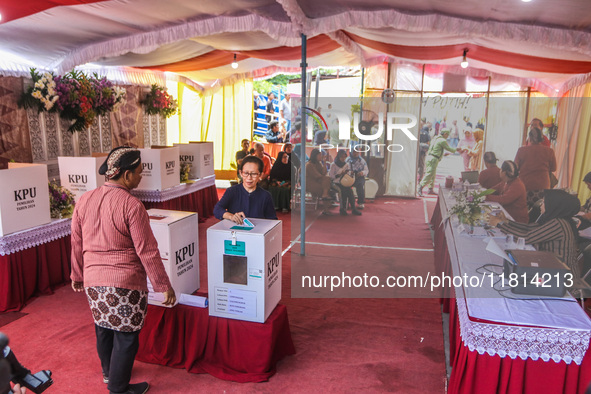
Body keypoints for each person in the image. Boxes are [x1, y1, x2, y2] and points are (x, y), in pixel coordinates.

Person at [70, 146, 176, 394]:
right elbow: (147, 250)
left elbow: (76, 241)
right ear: (126, 175)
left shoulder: (84, 200)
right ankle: (118, 388)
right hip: (124, 281)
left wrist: (77, 275)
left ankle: (109, 373)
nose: (140, 177)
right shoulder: (132, 205)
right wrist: (163, 285)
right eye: (139, 172)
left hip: (93, 281)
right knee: (127, 335)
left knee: (104, 327)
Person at [489, 189, 581, 277]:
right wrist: (506, 222)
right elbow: (529, 228)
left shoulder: (558, 224)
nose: (541, 204)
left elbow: (527, 238)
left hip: (563, 276)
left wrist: (500, 224)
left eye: (544, 202)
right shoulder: (555, 219)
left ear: (553, 205)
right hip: (553, 268)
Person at [214, 155, 277, 224]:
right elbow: (217, 209)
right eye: (246, 173)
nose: (249, 177)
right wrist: (231, 216)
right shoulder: (232, 191)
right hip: (235, 232)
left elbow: (272, 220)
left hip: (257, 233)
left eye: (253, 174)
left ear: (260, 175)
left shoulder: (265, 196)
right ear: (241, 173)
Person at [514, 127, 557, 207]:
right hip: (543, 187)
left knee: (524, 211)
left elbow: (515, 168)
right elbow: (554, 168)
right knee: (539, 212)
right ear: (542, 138)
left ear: (529, 138)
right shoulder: (549, 151)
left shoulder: (522, 150)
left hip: (524, 186)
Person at [418, 129, 460, 196]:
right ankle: (420, 186)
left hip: (429, 157)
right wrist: (457, 149)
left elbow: (436, 149)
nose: (448, 136)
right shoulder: (442, 140)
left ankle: (430, 188)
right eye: (447, 135)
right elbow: (449, 149)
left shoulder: (435, 138)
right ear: (445, 134)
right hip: (434, 159)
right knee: (429, 174)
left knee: (432, 174)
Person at [329, 150, 362, 216]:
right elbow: (331, 176)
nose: (343, 159)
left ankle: (353, 208)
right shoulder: (333, 165)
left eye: (344, 157)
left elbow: (348, 173)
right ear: (338, 156)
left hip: (344, 182)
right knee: (342, 190)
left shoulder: (346, 164)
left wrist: (350, 173)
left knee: (350, 191)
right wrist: (339, 174)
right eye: (342, 157)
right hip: (335, 182)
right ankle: (342, 208)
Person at [306, 148, 334, 215]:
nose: (321, 156)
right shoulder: (309, 165)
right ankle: (326, 208)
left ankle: (325, 196)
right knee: (325, 186)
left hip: (318, 182)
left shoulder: (318, 163)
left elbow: (324, 173)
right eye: (320, 155)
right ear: (315, 155)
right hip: (310, 183)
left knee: (326, 184)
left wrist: (324, 163)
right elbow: (317, 176)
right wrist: (325, 178)